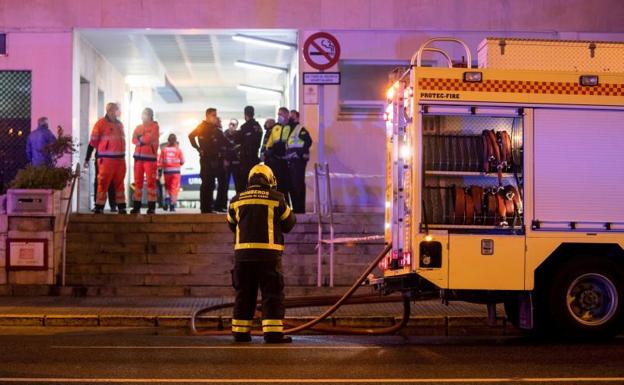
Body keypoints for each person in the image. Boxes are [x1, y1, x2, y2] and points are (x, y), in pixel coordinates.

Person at [226, 163, 296, 344]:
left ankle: (241, 333)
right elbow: (289, 224)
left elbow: (232, 224)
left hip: (243, 258)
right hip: (269, 258)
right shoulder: (277, 198)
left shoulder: (236, 200)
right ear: (271, 180)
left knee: (244, 294)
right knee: (272, 295)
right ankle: (273, 334)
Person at [84, 102, 127, 214]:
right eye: (116, 109)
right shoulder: (100, 124)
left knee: (119, 185)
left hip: (120, 160)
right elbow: (92, 142)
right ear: (110, 111)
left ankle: (121, 206)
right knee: (102, 183)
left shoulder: (120, 125)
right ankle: (99, 206)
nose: (118, 112)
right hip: (106, 160)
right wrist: (87, 158)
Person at [188, 108, 228, 213]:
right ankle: (205, 208)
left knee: (211, 184)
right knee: (207, 183)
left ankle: (208, 207)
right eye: (213, 115)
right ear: (208, 116)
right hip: (206, 159)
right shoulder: (202, 126)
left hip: (214, 159)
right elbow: (191, 136)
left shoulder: (213, 128)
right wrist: (198, 148)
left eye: (215, 115)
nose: (215, 117)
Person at [130, 108, 160, 214]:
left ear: (151, 116)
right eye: (142, 114)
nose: (143, 116)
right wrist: (141, 139)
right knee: (137, 183)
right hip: (138, 159)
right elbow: (133, 140)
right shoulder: (138, 127)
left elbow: (149, 139)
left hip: (150, 159)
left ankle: (151, 207)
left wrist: (140, 139)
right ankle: (136, 207)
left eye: (145, 114)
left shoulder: (155, 127)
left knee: (151, 184)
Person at [285, 110, 313, 213]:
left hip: (298, 161)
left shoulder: (300, 129)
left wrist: (298, 153)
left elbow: (308, 141)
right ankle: (296, 208)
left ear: (297, 117)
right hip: (291, 161)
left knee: (298, 185)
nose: (290, 118)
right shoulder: (290, 129)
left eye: (292, 116)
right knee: (292, 185)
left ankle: (300, 209)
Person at [264, 107, 292, 198]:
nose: (279, 116)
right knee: (276, 186)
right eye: (278, 114)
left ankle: (287, 206)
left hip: (287, 161)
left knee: (287, 186)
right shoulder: (275, 127)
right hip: (276, 161)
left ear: (287, 115)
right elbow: (269, 144)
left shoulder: (291, 127)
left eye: (281, 114)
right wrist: (268, 152)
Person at [158, 133, 185, 212]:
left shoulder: (164, 150)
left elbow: (160, 162)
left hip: (167, 172)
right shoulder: (178, 150)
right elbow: (182, 161)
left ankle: (166, 200)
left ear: (168, 141)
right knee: (174, 188)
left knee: (167, 187)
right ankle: (172, 205)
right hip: (176, 172)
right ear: (175, 141)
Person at [238, 106, 263, 186]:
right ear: (253, 114)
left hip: (245, 159)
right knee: (254, 182)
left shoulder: (244, 127)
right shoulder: (258, 127)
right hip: (255, 157)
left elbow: (237, 141)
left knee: (244, 182)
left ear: (245, 115)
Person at [223, 118, 245, 194]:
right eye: (230, 124)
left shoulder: (239, 135)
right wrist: (223, 160)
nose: (231, 126)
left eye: (234, 124)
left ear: (236, 126)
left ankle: (238, 202)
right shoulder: (224, 135)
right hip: (227, 163)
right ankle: (223, 204)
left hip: (237, 164)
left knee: (238, 185)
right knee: (224, 185)